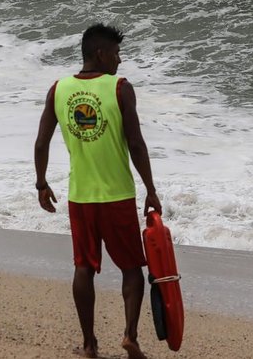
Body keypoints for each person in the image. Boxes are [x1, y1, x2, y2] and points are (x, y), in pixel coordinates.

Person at [34, 24, 161, 359]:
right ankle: (130, 336)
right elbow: (136, 143)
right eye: (116, 54)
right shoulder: (120, 88)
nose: (119, 60)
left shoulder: (58, 89)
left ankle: (90, 345)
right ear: (101, 54)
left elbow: (41, 143)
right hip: (117, 197)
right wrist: (150, 189)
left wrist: (42, 183)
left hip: (80, 198)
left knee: (83, 268)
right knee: (132, 268)